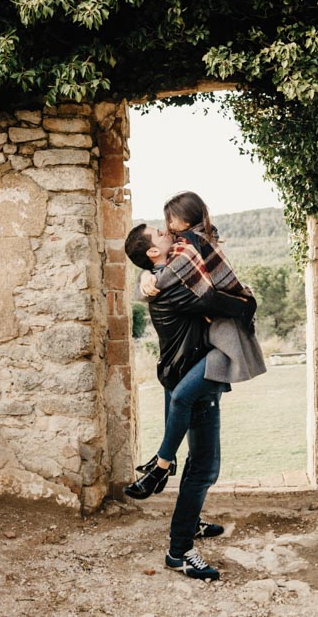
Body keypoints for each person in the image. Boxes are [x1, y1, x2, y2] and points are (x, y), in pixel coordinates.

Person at [123, 222, 256, 580]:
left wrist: (145, 280)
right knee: (204, 467)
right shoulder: (171, 285)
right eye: (162, 235)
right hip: (192, 383)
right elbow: (217, 300)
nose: (172, 236)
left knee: (200, 464)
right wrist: (247, 299)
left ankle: (189, 522)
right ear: (153, 252)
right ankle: (179, 552)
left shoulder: (160, 280)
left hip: (183, 376)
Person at [128, 192, 266, 499]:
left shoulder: (191, 246)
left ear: (187, 219)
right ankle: (166, 465)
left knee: (200, 455)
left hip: (215, 345)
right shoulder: (185, 250)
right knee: (199, 455)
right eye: (162, 228)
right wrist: (144, 277)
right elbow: (165, 273)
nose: (167, 228)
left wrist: (245, 305)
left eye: (170, 222)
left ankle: (162, 466)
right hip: (191, 354)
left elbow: (198, 292)